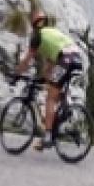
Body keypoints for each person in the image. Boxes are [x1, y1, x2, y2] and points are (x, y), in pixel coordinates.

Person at [11, 10, 84, 151]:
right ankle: (65, 108)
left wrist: (16, 74)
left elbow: (27, 60)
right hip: (76, 57)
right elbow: (51, 65)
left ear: (33, 24)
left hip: (65, 59)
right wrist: (42, 78)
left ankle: (48, 136)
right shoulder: (51, 33)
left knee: (50, 98)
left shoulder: (37, 37)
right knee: (54, 87)